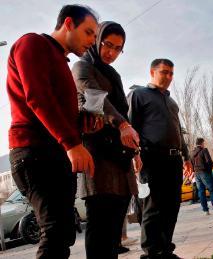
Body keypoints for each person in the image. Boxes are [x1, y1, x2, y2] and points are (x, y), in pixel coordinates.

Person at [7, 5, 97, 258]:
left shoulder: (61, 61)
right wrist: (71, 143)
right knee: (55, 231)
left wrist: (82, 123)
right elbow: (37, 97)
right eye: (88, 32)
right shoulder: (32, 44)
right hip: (34, 153)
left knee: (65, 231)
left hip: (55, 153)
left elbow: (55, 110)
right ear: (68, 23)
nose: (92, 41)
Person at [71, 21, 141, 259]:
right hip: (98, 157)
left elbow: (122, 108)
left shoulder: (113, 74)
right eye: (107, 45)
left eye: (118, 48)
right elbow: (93, 96)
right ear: (97, 40)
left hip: (120, 157)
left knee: (114, 227)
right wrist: (122, 124)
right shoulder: (83, 66)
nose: (111, 52)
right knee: (100, 223)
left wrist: (136, 150)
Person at [128, 58, 193, 259]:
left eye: (171, 73)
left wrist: (187, 156)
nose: (168, 77)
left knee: (172, 206)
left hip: (173, 161)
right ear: (152, 72)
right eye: (164, 72)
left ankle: (165, 250)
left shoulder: (172, 103)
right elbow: (129, 127)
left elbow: (178, 133)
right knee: (153, 208)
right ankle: (152, 253)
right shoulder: (138, 95)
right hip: (150, 158)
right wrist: (134, 154)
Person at [191, 138, 213, 215]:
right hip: (205, 172)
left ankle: (205, 211)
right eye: (203, 143)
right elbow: (208, 161)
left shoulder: (192, 153)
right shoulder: (204, 150)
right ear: (202, 143)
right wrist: (212, 166)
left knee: (201, 191)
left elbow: (191, 163)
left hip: (196, 174)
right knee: (212, 190)